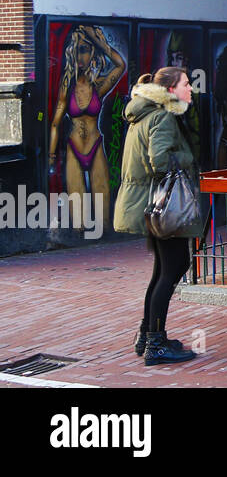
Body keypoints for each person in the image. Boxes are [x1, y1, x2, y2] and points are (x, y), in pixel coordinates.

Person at [113, 68, 203, 366]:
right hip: (163, 207)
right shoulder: (163, 116)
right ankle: (156, 344)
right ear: (169, 89)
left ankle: (147, 334)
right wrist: (188, 158)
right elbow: (160, 161)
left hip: (150, 205)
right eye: (186, 84)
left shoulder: (144, 113)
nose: (191, 88)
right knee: (176, 265)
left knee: (161, 271)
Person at [49, 24, 126, 212]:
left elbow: (120, 65)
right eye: (75, 50)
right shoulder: (67, 87)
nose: (79, 57)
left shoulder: (98, 87)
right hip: (73, 147)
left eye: (84, 49)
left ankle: (106, 241)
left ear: (93, 52)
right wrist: (51, 156)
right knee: (79, 220)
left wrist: (99, 41)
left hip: (96, 146)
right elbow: (55, 124)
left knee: (104, 216)